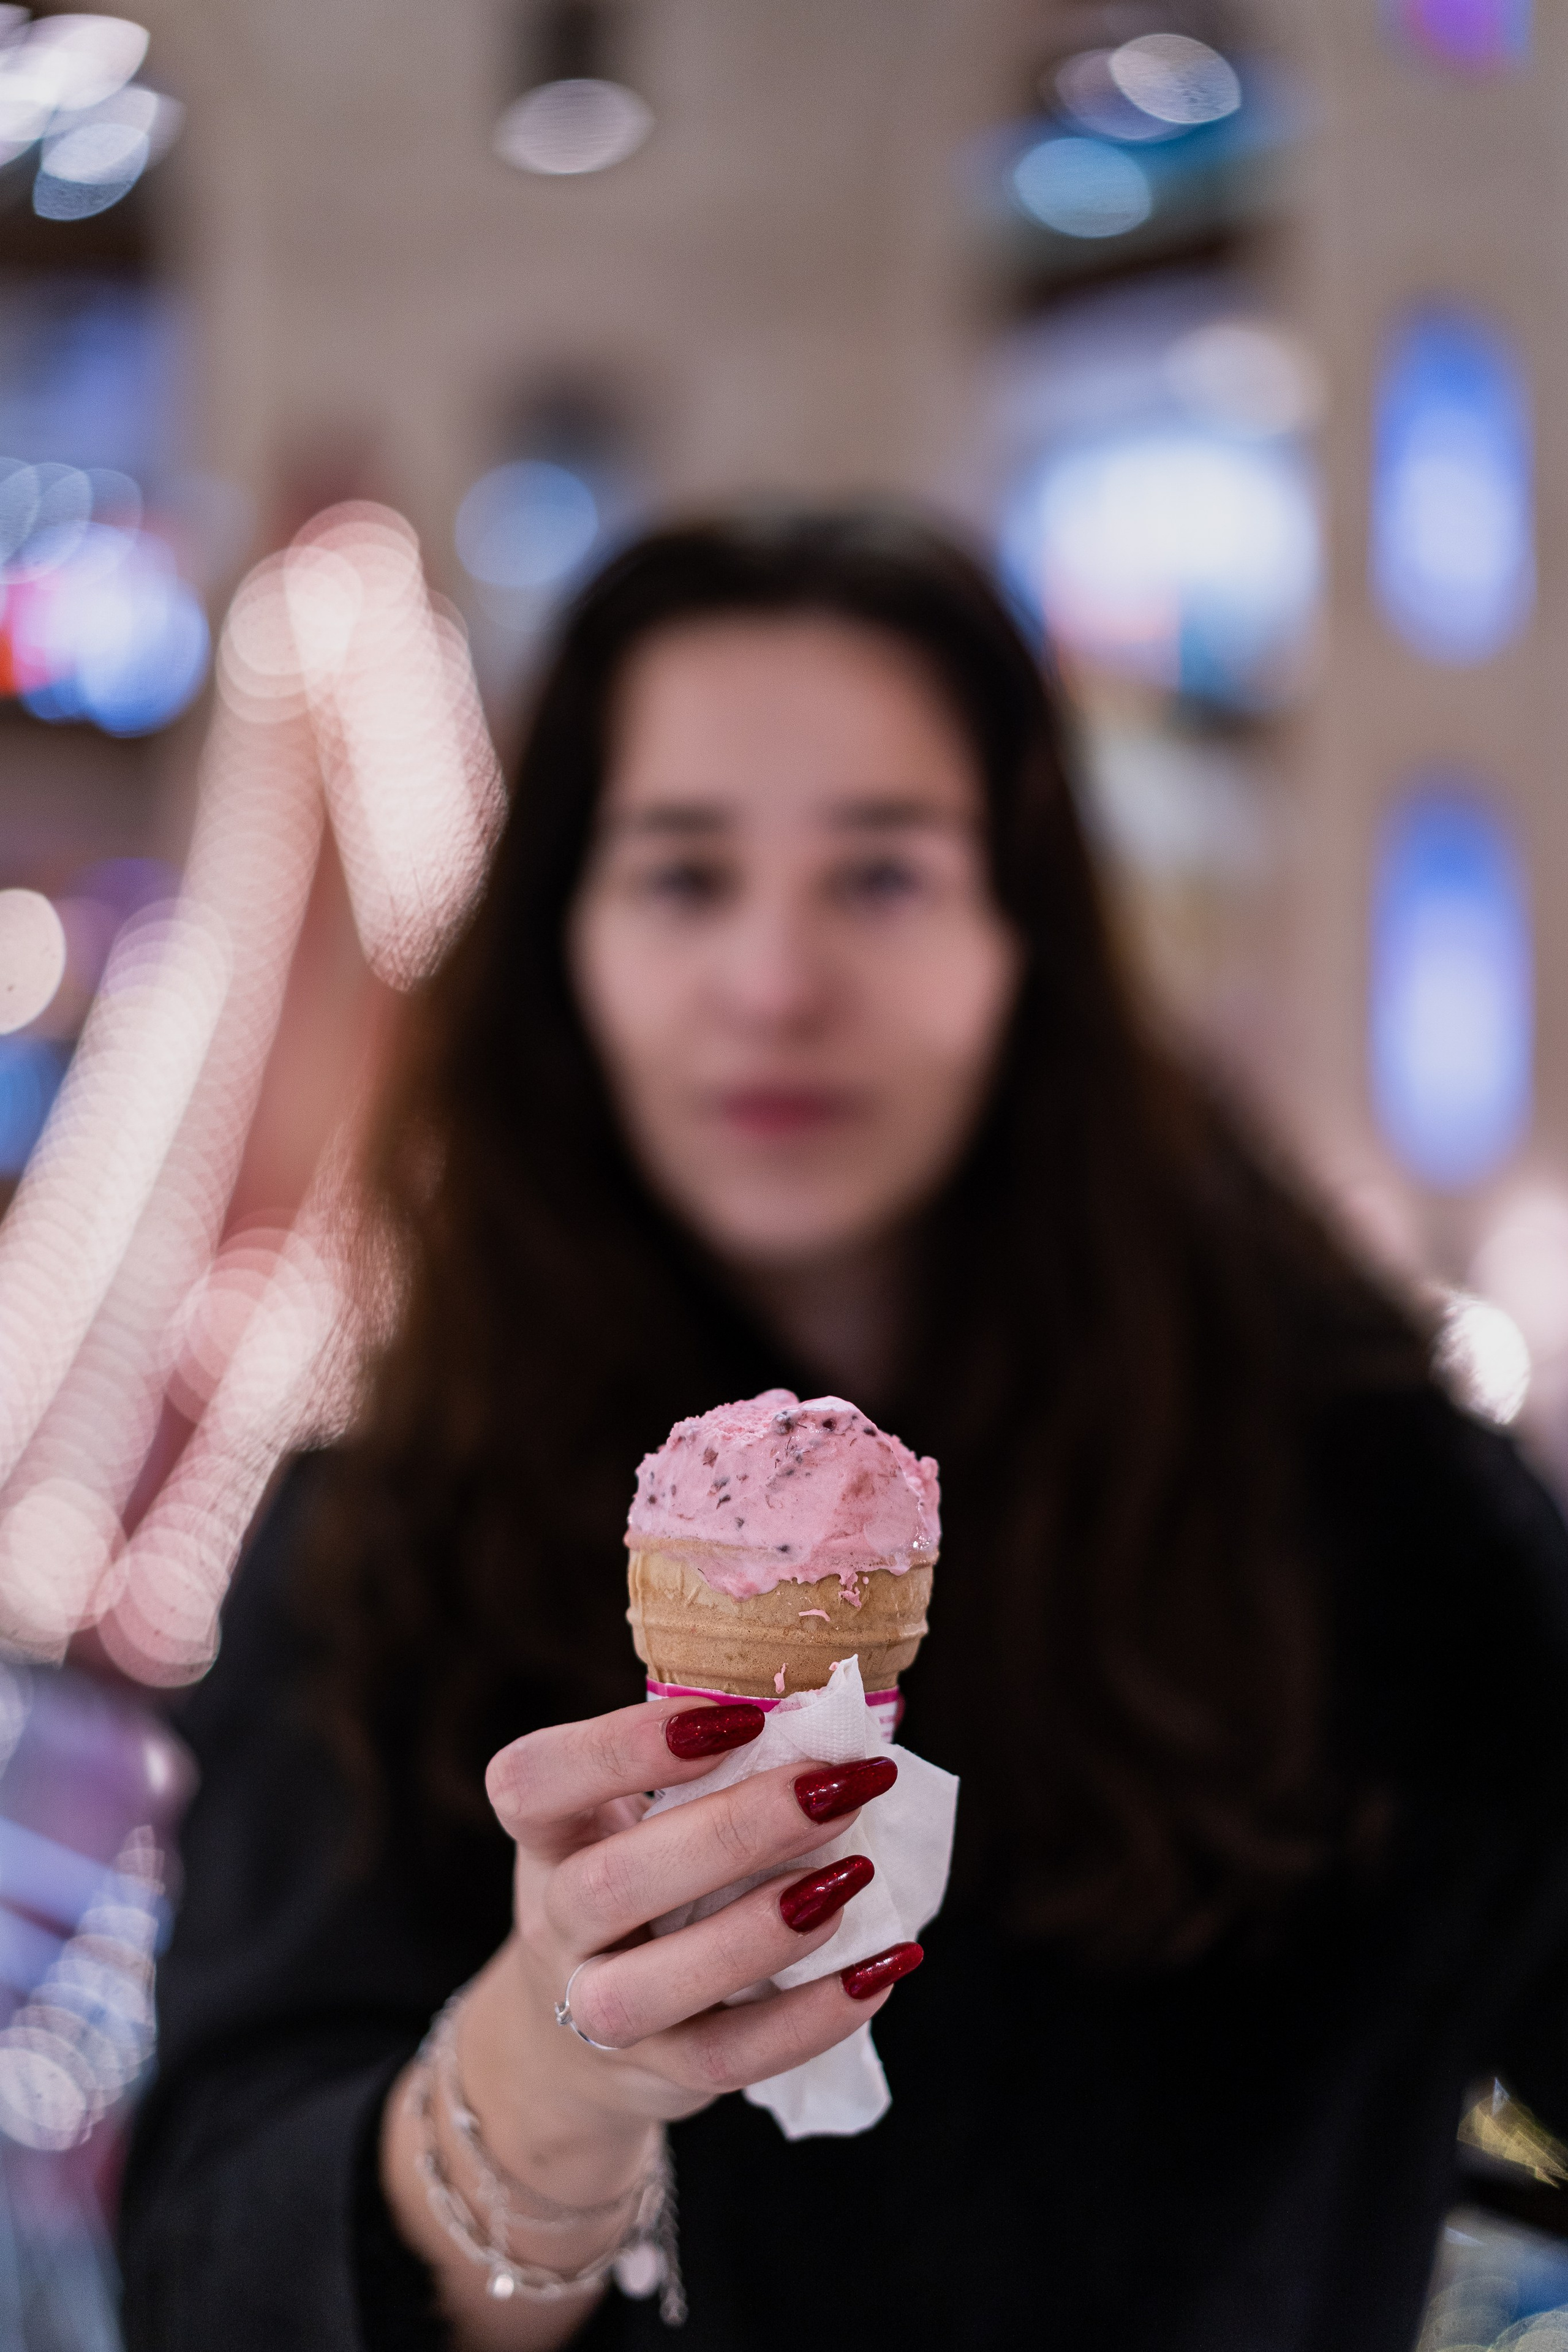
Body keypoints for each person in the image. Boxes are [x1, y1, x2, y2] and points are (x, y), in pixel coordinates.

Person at [120, 510, 1568, 2352]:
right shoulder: (380, 1543)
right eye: (683, 875)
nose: (775, 981)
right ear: (566, 944)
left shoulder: (1375, 1504)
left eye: (882, 875)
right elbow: (209, 2270)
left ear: (1020, 936)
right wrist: (538, 2092)